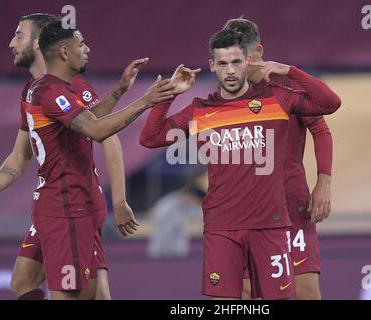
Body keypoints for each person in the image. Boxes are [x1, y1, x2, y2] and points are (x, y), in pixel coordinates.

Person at [140, 29, 341, 299]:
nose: (230, 70)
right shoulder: (201, 110)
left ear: (248, 60)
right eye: (222, 64)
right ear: (212, 66)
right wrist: (170, 95)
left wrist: (289, 70)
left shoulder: (277, 99)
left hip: (271, 223)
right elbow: (150, 138)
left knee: (299, 293)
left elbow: (330, 103)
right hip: (222, 226)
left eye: (236, 62)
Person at [0, 19, 174, 300]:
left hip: (70, 205)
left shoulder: (57, 88)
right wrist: (145, 100)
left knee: (78, 292)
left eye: (18, 35)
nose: (11, 43)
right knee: (31, 283)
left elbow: (99, 128)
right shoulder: (45, 91)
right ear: (64, 52)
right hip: (60, 206)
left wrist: (120, 92)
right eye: (82, 44)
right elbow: (92, 130)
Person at [224, 17, 336, 300]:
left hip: (291, 205)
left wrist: (323, 182)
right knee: (246, 291)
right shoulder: (224, 95)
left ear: (259, 52)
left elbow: (322, 124)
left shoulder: (287, 84)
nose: (236, 68)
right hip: (246, 211)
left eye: (243, 59)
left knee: (305, 292)